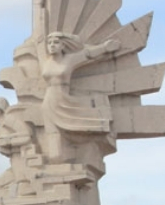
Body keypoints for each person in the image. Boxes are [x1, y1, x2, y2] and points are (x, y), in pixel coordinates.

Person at [39, 31, 120, 159]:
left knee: (77, 124)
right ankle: (57, 154)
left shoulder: (69, 60)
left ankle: (80, 146)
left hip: (64, 98)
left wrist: (105, 47)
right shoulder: (46, 62)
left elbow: (87, 55)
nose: (52, 45)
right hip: (49, 100)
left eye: (56, 42)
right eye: (49, 43)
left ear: (63, 46)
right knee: (53, 134)